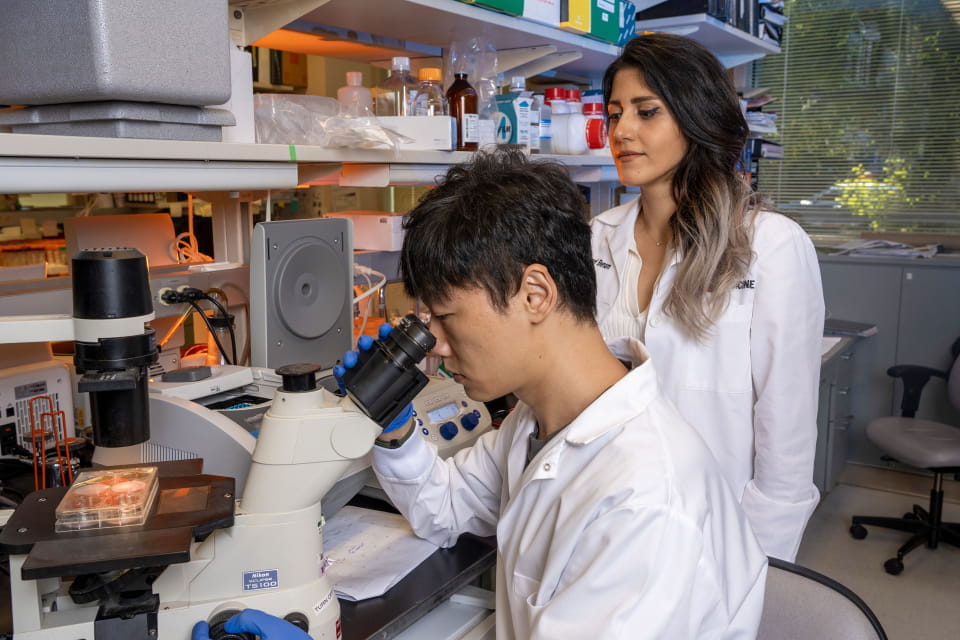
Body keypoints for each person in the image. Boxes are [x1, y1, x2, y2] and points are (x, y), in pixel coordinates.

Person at [366, 148, 766, 639]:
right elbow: (447, 507)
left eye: (445, 318)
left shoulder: (644, 500)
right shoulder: (542, 418)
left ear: (535, 294)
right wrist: (397, 430)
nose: (437, 348)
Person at [592, 32, 825, 561]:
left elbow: (785, 427)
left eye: (646, 112)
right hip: (608, 510)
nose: (622, 131)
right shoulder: (596, 237)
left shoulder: (770, 245)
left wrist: (761, 561)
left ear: (695, 118)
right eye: (614, 114)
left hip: (718, 529)